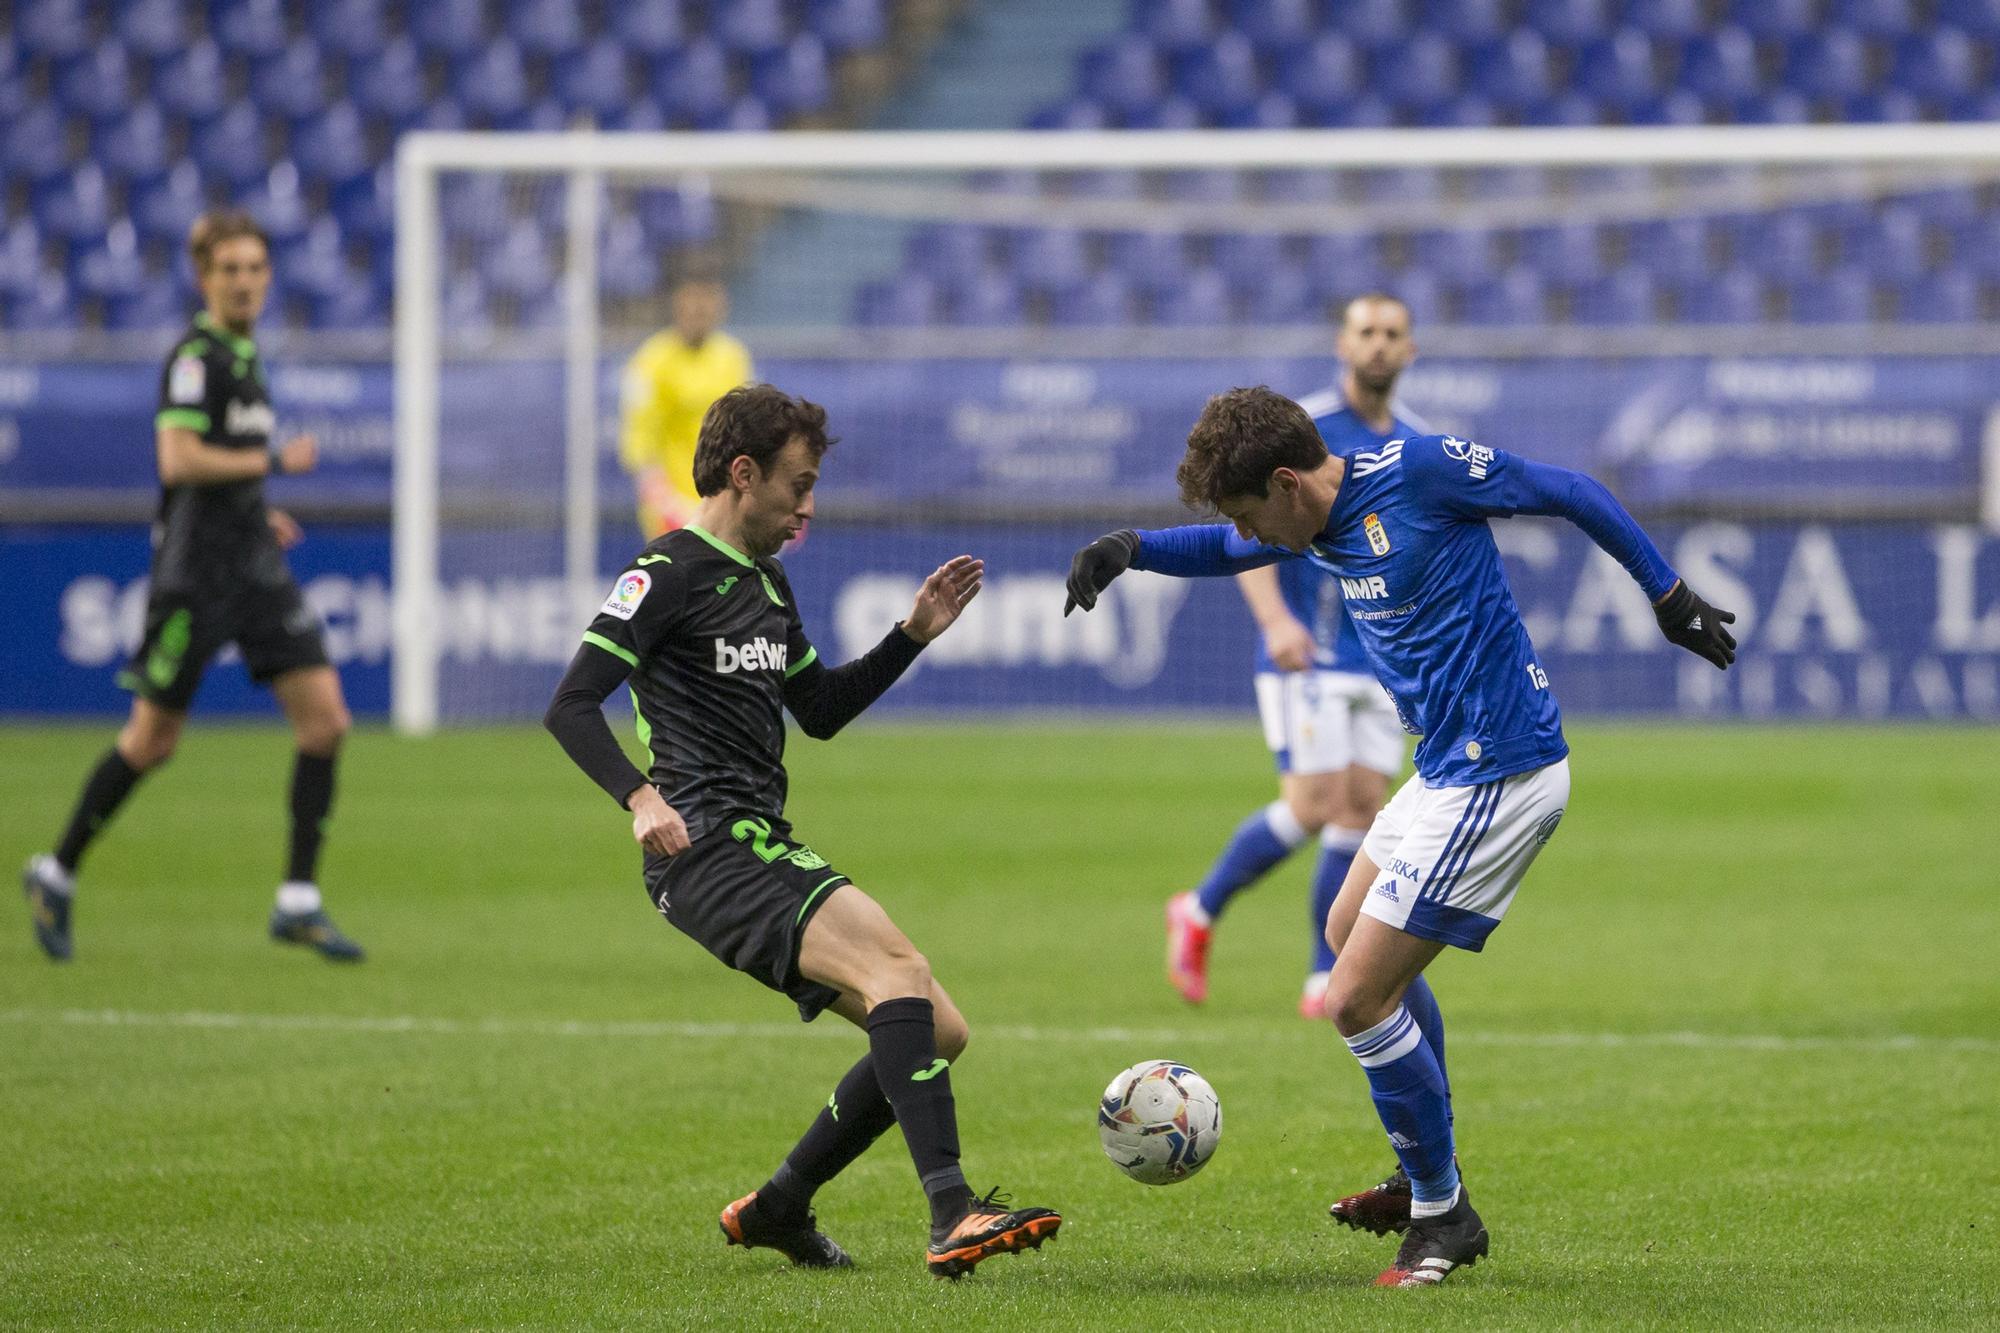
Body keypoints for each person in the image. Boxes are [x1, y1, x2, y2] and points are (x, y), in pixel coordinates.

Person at [1064, 386, 1735, 1287]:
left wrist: (1669, 593)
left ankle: (1442, 1213)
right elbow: (1228, 548)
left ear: (1290, 483)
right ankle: (1426, 1169)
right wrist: (1133, 550)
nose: (1252, 537)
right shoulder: (1308, 520)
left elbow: (1570, 488)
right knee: (1347, 933)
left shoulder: (1418, 472)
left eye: (1251, 512)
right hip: (1445, 770)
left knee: (1351, 998)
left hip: (1503, 770)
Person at [544, 384, 1060, 1278]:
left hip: (754, 838)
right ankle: (951, 1213)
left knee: (937, 1027)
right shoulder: (665, 572)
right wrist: (638, 796)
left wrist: (911, 635)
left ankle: (781, 1206)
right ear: (743, 475)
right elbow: (571, 703)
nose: (808, 506)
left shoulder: (765, 580)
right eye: (798, 483)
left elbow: (816, 710)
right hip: (703, 843)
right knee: (899, 972)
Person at [21, 210, 362, 963]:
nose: (243, 281)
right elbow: (178, 461)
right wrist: (273, 465)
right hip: (194, 578)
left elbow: (221, 463)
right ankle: (57, 867)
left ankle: (297, 898)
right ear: (206, 278)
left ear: (268, 278)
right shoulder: (194, 357)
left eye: (254, 268)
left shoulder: (245, 355)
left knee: (326, 720)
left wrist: (256, 511)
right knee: (154, 737)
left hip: (253, 565)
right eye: (229, 269)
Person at [1166, 294, 1420, 1021]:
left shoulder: (1413, 441)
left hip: (1377, 658)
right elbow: (1245, 527)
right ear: (1343, 344)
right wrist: (1275, 618)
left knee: (1363, 809)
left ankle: (1321, 970)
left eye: (1391, 334)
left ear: (1410, 351)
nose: (1377, 345)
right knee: (1315, 805)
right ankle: (1200, 906)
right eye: (1365, 332)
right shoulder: (1302, 433)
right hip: (1306, 652)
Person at [619, 272, 754, 538]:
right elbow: (639, 438)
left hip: (723, 507)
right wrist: (664, 499)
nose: (699, 308)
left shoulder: (733, 357)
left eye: (707, 298)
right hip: (671, 510)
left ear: (721, 304)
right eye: (692, 298)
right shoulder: (651, 361)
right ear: (676, 302)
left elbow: (746, 433)